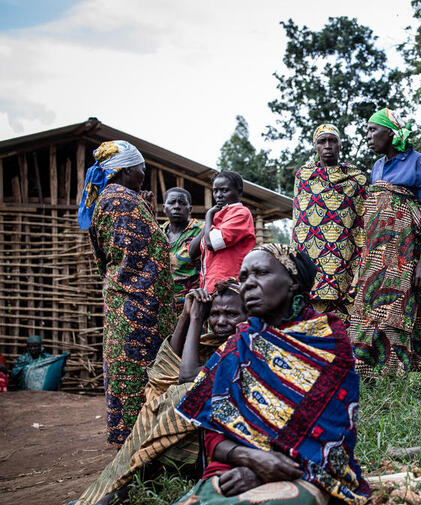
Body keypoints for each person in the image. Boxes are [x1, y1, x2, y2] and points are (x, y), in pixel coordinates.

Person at [173, 244, 370, 505]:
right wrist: (249, 458)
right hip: (231, 470)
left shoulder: (326, 341)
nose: (248, 285)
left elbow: (331, 439)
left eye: (261, 273)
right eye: (243, 277)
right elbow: (212, 431)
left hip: (303, 473)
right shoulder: (240, 344)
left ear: (292, 282)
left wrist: (265, 472)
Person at [75, 280, 246, 505]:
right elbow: (166, 366)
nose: (221, 321)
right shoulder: (215, 343)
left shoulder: (243, 344)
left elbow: (188, 376)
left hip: (224, 426)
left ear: (248, 314)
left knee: (182, 395)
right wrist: (187, 314)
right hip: (196, 423)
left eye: (231, 314)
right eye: (215, 314)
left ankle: (130, 482)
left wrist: (197, 320)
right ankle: (125, 482)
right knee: (164, 395)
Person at [79, 140, 176, 446]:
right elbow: (136, 255)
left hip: (133, 301)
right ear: (125, 171)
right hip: (137, 303)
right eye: (141, 169)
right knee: (136, 370)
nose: (144, 175)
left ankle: (133, 437)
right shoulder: (120, 201)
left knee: (130, 368)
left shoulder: (114, 198)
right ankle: (136, 441)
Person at [348, 108, 421, 376]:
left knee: (398, 306)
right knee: (371, 305)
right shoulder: (377, 166)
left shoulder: (417, 161)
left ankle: (398, 371)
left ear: (390, 132)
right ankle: (369, 370)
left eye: (372, 130)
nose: (368, 136)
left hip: (404, 253)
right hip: (376, 253)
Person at [291, 123, 367, 322]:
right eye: (321, 141)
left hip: (345, 257)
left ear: (340, 146)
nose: (327, 146)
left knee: (341, 322)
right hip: (311, 260)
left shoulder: (356, 179)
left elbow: (361, 220)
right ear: (315, 147)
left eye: (332, 141)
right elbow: (300, 223)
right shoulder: (304, 176)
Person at [193, 170, 256, 293]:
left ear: (239, 192)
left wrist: (209, 215)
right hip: (210, 286)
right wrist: (211, 220)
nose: (218, 195)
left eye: (224, 190)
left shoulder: (241, 213)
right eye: (215, 191)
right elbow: (191, 252)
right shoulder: (217, 216)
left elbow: (211, 243)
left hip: (229, 286)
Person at [162, 187, 203, 313]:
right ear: (164, 208)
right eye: (172, 202)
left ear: (190, 209)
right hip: (164, 304)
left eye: (182, 203)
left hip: (192, 303)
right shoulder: (159, 232)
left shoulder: (201, 230)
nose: (177, 206)